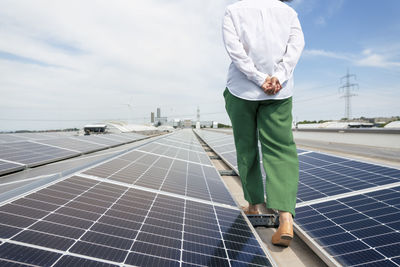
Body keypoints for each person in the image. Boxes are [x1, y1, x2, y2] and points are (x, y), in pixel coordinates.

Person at [222, 0, 305, 247]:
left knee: (246, 147)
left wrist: (258, 78)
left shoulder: (233, 10)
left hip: (241, 89)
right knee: (281, 151)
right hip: (279, 92)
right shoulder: (289, 12)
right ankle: (285, 220)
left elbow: (234, 49)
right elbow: (295, 48)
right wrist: (277, 77)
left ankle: (254, 206)